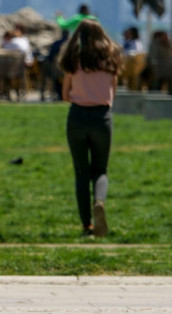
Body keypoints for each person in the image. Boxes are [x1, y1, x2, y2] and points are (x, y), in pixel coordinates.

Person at [58, 19, 122, 237]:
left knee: (81, 173)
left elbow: (65, 95)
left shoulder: (73, 60)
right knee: (100, 170)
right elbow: (112, 92)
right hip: (101, 117)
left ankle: (87, 226)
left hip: (77, 116)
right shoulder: (111, 59)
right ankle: (99, 201)